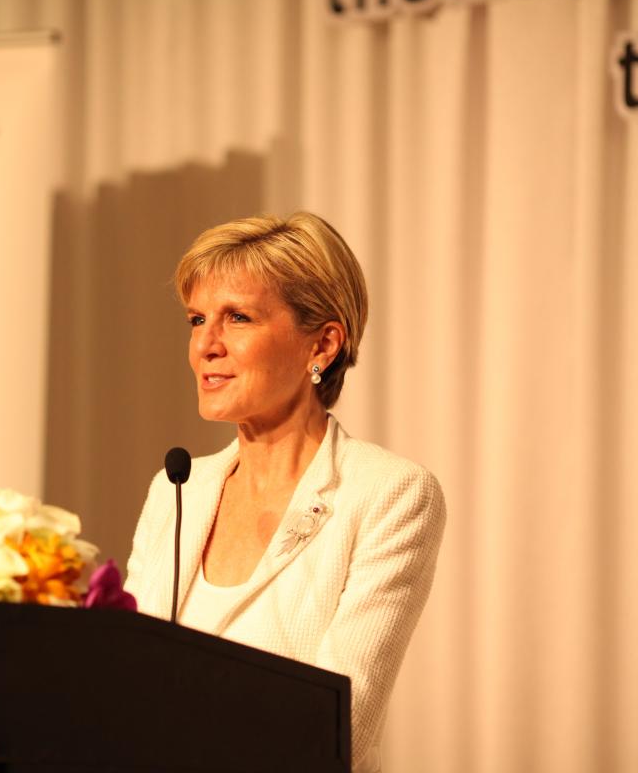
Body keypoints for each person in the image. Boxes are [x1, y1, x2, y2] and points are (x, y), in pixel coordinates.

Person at [124, 212, 445, 773]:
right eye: (197, 319)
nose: (205, 345)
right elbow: (119, 679)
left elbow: (337, 724)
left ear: (321, 344)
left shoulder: (390, 495)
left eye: (238, 318)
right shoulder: (177, 488)